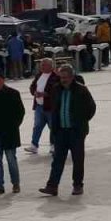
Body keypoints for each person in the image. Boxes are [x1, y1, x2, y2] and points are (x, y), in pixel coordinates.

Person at [39, 65, 96, 197]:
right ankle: (52, 186)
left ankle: (77, 185)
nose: (63, 80)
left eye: (65, 77)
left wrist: (81, 121)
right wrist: (55, 129)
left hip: (76, 132)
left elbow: (91, 108)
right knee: (57, 160)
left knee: (78, 160)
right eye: (61, 77)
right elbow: (54, 109)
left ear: (71, 77)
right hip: (60, 131)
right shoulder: (56, 89)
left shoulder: (81, 90)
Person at [0, 74, 24, 195]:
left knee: (11, 159)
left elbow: (20, 112)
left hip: (9, 132)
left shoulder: (13, 93)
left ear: (3, 81)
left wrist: (13, 126)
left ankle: (15, 183)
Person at [26, 58, 56, 154]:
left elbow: (56, 90)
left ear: (51, 66)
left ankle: (53, 145)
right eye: (41, 65)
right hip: (39, 106)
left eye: (44, 65)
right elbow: (32, 86)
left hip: (50, 107)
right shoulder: (39, 75)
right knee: (37, 126)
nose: (42, 66)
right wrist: (34, 92)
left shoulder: (55, 77)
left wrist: (45, 94)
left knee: (53, 126)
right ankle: (34, 145)